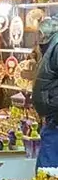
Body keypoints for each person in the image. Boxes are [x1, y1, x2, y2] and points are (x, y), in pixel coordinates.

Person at [34, 18, 58, 168]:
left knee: (47, 172)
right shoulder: (52, 47)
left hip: (55, 119)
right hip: (52, 118)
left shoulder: (55, 47)